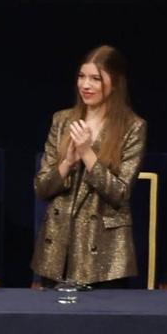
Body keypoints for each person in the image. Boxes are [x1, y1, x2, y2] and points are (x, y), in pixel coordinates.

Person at [33, 45, 148, 288]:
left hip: (104, 255)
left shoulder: (132, 127)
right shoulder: (62, 120)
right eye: (82, 77)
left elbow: (120, 192)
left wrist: (87, 153)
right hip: (57, 251)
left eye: (96, 78)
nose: (86, 85)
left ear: (115, 83)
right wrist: (67, 162)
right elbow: (42, 187)